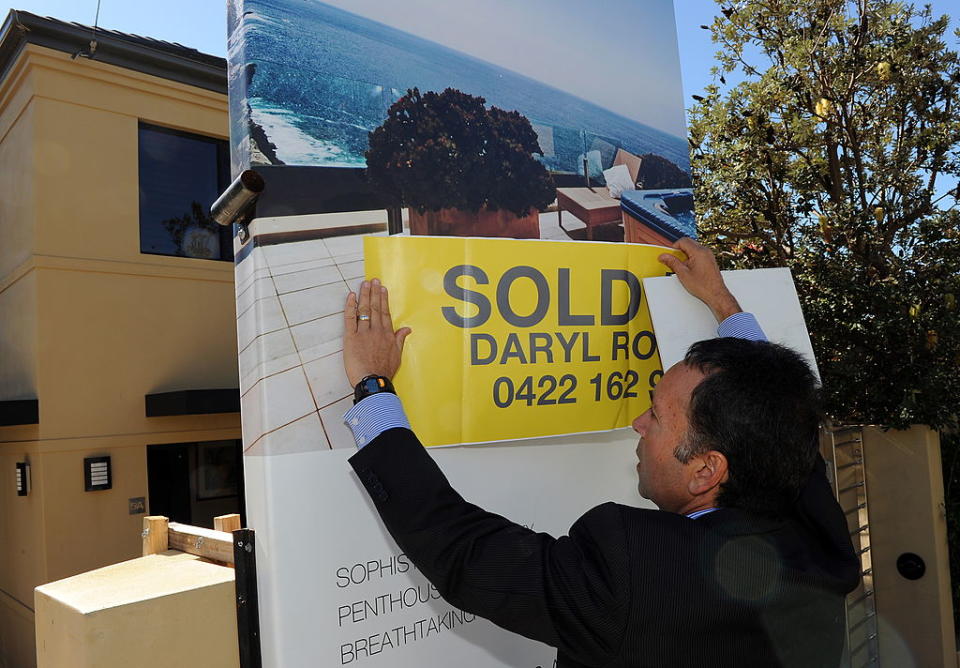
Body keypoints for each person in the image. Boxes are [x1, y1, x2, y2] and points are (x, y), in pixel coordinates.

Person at [340, 238, 860, 667]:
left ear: (706, 469)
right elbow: (783, 408)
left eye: (655, 416)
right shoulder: (813, 524)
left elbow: (464, 551)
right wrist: (721, 301)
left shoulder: (641, 577)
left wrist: (372, 389)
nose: (638, 422)